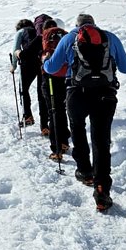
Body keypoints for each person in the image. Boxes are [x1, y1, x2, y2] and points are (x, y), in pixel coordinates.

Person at [43, 13, 126, 212]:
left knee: (77, 127)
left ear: (77, 25)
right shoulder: (110, 37)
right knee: (101, 138)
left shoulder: (68, 39)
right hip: (105, 94)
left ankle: (84, 170)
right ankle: (101, 189)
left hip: (76, 92)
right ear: (94, 24)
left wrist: (46, 59)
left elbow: (51, 68)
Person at [40, 19, 71, 160]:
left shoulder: (43, 38)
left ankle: (56, 150)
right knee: (62, 110)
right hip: (66, 77)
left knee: (53, 111)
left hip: (51, 78)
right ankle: (64, 142)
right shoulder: (65, 36)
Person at [9, 18, 40, 127]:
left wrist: (13, 65)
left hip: (28, 63)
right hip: (41, 62)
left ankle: (28, 117)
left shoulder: (20, 32)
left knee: (23, 90)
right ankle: (46, 123)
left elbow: (15, 49)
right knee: (41, 92)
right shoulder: (37, 31)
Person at [32, 14, 54, 136]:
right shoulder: (62, 35)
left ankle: (45, 126)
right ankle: (58, 127)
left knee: (42, 97)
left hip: (43, 72)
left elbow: (26, 53)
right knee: (58, 101)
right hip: (60, 73)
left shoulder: (40, 37)